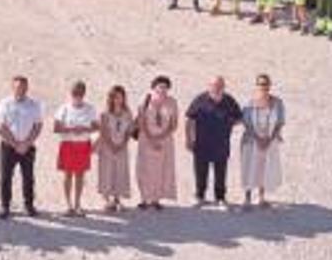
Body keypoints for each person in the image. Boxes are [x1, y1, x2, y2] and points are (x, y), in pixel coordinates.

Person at [185, 76, 243, 209]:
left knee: (221, 173)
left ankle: (220, 198)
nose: (216, 88)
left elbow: (240, 118)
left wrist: (229, 123)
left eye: (219, 85)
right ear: (208, 86)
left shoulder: (229, 100)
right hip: (201, 144)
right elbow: (189, 120)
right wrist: (188, 139)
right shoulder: (200, 99)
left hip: (221, 144)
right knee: (200, 172)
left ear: (223, 87)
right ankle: (200, 197)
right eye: (213, 85)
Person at [0, 75, 43, 218]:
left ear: (27, 88)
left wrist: (27, 143)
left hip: (28, 147)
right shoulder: (5, 103)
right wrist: (15, 144)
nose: (20, 89)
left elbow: (38, 125)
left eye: (22, 87)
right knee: (5, 177)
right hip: (8, 146)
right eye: (17, 87)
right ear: (12, 87)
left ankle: (29, 205)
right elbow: (0, 125)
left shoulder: (34, 105)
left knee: (28, 177)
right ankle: (5, 206)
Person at [53, 81, 100, 216]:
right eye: (75, 93)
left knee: (80, 175)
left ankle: (78, 204)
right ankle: (68, 205)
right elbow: (56, 127)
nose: (77, 95)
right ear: (71, 93)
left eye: (80, 93)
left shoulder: (90, 108)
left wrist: (85, 129)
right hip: (68, 143)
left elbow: (97, 126)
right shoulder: (64, 108)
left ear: (84, 93)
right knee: (68, 175)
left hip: (83, 144)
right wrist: (71, 129)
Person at [240, 74, 285, 208]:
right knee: (249, 167)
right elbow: (246, 123)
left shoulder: (278, 102)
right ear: (257, 85)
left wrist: (270, 139)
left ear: (269, 85)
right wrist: (258, 139)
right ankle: (247, 198)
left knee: (264, 168)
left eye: (265, 84)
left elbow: (280, 122)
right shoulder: (249, 103)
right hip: (251, 139)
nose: (263, 86)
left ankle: (261, 198)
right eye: (260, 84)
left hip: (269, 140)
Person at [135, 76, 178, 210]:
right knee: (145, 169)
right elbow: (141, 122)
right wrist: (151, 138)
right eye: (160, 86)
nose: (162, 89)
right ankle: (144, 199)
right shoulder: (145, 101)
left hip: (165, 140)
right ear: (153, 87)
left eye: (165, 87)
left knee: (162, 170)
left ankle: (156, 199)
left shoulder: (172, 102)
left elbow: (174, 124)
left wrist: (161, 137)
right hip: (146, 139)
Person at [96, 85, 135, 212]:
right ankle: (107, 200)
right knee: (107, 172)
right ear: (111, 98)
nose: (118, 100)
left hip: (122, 146)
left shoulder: (127, 113)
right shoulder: (105, 113)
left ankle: (118, 199)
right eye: (115, 97)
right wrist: (112, 145)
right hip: (107, 146)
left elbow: (129, 131)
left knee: (120, 172)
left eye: (120, 97)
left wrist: (122, 144)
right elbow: (103, 131)